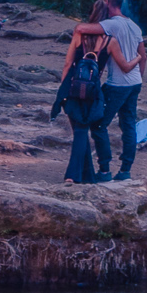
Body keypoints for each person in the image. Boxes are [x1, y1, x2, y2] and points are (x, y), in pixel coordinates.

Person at [75, 0, 145, 182]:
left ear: (106, 1)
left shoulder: (111, 25)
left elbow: (82, 29)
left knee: (98, 123)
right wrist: (138, 78)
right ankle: (125, 170)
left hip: (117, 84)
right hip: (134, 82)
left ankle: (104, 170)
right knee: (128, 125)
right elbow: (143, 56)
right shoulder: (135, 26)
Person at [50, 34, 106, 185]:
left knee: (79, 131)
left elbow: (68, 64)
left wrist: (64, 89)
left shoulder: (79, 36)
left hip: (74, 87)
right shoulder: (108, 40)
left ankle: (73, 175)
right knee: (82, 130)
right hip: (92, 90)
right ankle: (88, 175)